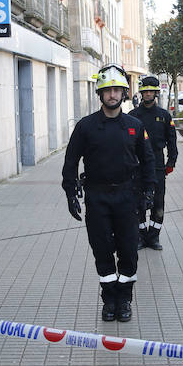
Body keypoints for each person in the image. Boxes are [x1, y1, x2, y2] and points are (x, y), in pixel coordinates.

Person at [62, 63, 155, 322]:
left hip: (127, 197)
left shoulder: (135, 125)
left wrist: (149, 191)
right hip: (97, 198)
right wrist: (71, 193)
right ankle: (109, 300)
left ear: (124, 93)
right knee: (102, 250)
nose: (112, 95)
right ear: (100, 94)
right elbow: (70, 162)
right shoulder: (86, 126)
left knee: (128, 250)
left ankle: (125, 299)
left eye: (117, 90)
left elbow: (148, 161)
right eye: (107, 90)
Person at [129, 75, 178, 250]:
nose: (148, 94)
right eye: (145, 91)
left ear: (156, 93)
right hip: (137, 165)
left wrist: (171, 161)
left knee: (158, 202)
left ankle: (154, 237)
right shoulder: (133, 116)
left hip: (157, 164)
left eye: (151, 91)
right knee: (138, 202)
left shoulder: (164, 116)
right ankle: (141, 237)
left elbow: (172, 140)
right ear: (141, 93)